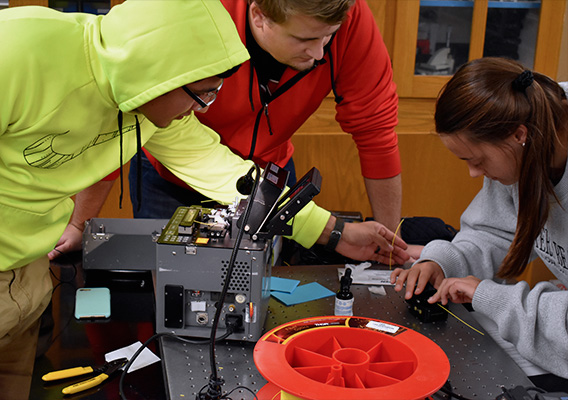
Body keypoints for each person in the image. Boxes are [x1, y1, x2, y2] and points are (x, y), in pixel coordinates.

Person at [0, 1, 410, 397]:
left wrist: (334, 233)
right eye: (201, 94)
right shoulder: (18, 50)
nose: (202, 108)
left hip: (28, 275)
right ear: (159, 75)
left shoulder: (148, 106)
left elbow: (224, 171)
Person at [52, 0, 406, 260]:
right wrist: (80, 223)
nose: (319, 54)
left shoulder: (344, 15)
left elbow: (376, 131)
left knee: (266, 281)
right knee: (168, 284)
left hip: (266, 175)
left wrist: (386, 245)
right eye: (304, 39)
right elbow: (120, 109)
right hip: (171, 171)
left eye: (328, 37)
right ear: (258, 15)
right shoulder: (195, 12)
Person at [391, 57, 568, 379]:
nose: (474, 174)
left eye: (478, 160)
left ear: (519, 135)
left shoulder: (524, 139)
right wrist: (443, 262)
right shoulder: (526, 141)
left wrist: (492, 297)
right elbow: (497, 232)